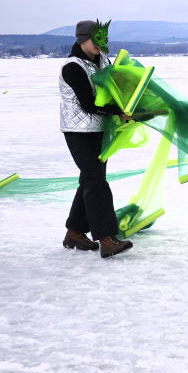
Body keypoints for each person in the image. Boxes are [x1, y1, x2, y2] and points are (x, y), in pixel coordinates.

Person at [59, 19, 133, 259]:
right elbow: (89, 105)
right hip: (77, 133)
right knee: (96, 182)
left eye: (104, 40)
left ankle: (74, 232)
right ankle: (106, 238)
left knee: (91, 179)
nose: (101, 45)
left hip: (100, 131)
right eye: (96, 40)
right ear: (82, 39)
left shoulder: (103, 62)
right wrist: (117, 111)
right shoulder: (72, 67)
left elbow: (113, 91)